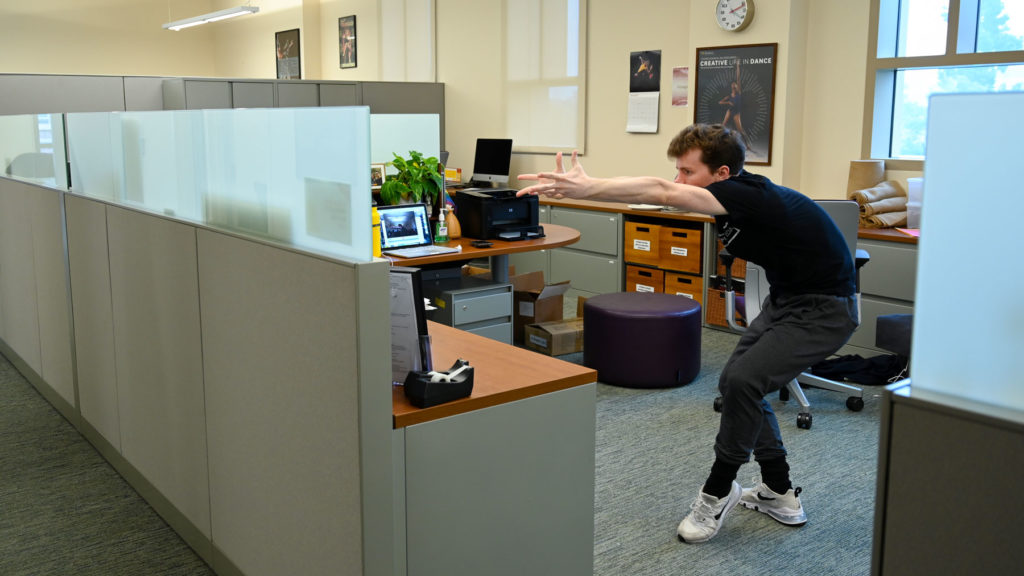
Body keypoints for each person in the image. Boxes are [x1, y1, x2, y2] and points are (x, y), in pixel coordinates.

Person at [517, 123, 857, 543]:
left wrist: (589, 189)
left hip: (826, 310)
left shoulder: (748, 195)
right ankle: (779, 491)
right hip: (787, 302)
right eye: (678, 171)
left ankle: (718, 491)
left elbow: (660, 191)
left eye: (688, 172)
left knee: (743, 381)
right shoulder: (734, 196)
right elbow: (663, 186)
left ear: (722, 174)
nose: (680, 181)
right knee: (738, 386)